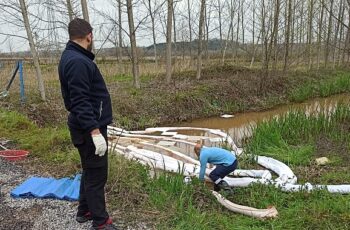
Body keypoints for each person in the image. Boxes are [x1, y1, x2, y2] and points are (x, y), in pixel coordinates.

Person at [58, 18, 117, 230]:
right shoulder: (78, 62)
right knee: (97, 175)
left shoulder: (72, 57)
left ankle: (84, 210)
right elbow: (80, 100)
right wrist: (94, 131)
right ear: (89, 36)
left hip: (84, 125)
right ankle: (101, 222)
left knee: (90, 170)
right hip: (88, 128)